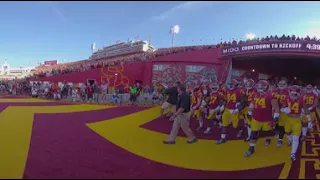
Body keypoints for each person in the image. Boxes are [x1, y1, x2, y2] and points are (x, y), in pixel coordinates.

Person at [244, 80, 280, 157]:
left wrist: (276, 117)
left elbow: (276, 107)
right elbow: (252, 103)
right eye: (259, 86)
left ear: (265, 87)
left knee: (267, 131)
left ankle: (268, 138)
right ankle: (251, 148)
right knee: (254, 133)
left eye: (261, 86)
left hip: (267, 118)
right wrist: (249, 112)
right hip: (256, 117)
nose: (259, 87)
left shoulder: (270, 95)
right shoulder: (255, 94)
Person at [281, 85, 311, 161]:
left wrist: (309, 119)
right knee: (287, 132)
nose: (294, 96)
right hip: (288, 119)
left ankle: (293, 153)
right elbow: (281, 107)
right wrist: (284, 109)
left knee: (296, 138)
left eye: (296, 94)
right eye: (292, 93)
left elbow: (305, 109)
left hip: (297, 120)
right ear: (289, 92)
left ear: (299, 93)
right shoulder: (287, 98)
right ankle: (290, 140)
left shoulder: (301, 99)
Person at [216, 79, 246, 145]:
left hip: (234, 110)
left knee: (235, 126)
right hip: (227, 109)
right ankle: (223, 138)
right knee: (224, 124)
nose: (231, 85)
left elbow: (243, 102)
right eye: (230, 84)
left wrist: (237, 109)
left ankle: (240, 129)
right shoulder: (227, 91)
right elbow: (226, 100)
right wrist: (223, 105)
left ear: (236, 85)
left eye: (232, 84)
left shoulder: (239, 91)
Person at [272, 79, 289, 147]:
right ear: (278, 84)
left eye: (283, 84)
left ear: (286, 84)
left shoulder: (289, 92)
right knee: (274, 123)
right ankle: (278, 132)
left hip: (283, 111)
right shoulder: (274, 91)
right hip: (275, 110)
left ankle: (280, 139)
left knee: (282, 125)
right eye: (280, 84)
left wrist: (285, 107)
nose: (281, 85)